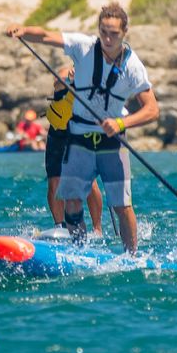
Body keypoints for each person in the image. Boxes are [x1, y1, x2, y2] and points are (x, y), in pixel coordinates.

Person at [5, 2, 159, 253]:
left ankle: (132, 257)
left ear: (125, 33)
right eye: (104, 32)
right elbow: (46, 35)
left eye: (114, 34)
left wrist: (121, 122)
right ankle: (80, 251)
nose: (108, 38)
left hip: (112, 141)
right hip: (79, 139)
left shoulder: (133, 66)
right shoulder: (84, 46)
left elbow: (152, 110)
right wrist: (22, 30)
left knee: (122, 206)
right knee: (72, 201)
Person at [44, 64, 104, 235]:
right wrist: (71, 80)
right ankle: (60, 226)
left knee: (89, 182)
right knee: (54, 180)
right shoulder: (66, 70)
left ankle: (97, 229)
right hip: (59, 132)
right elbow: (57, 84)